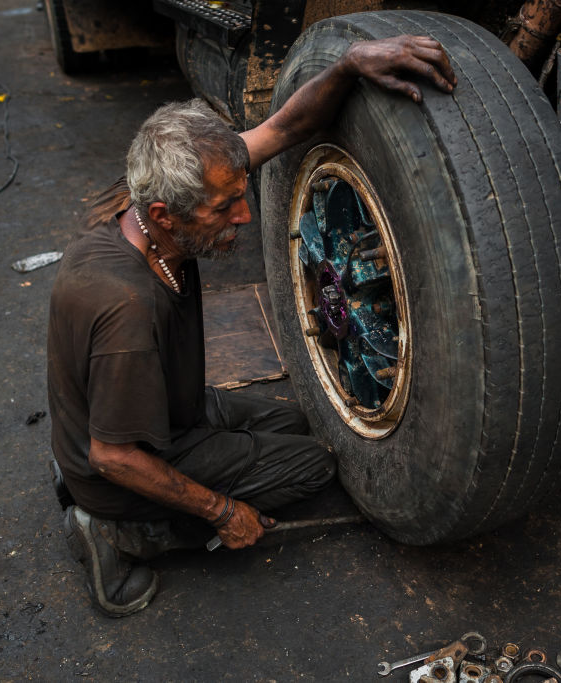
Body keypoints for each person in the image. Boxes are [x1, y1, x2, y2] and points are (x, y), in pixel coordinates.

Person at [47, 35, 456, 617]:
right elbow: (114, 456)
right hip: (114, 468)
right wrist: (220, 511)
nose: (243, 214)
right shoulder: (128, 309)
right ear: (166, 215)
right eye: (225, 209)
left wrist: (347, 64)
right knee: (314, 466)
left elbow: (285, 129)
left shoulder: (151, 197)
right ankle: (121, 534)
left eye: (240, 198)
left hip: (167, 410)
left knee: (300, 421)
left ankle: (150, 480)